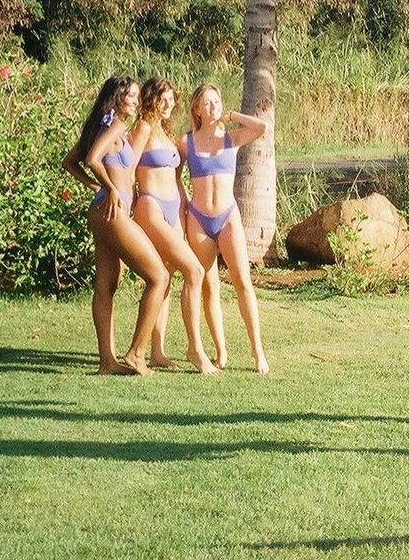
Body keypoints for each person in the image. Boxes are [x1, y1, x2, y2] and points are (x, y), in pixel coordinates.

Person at [61, 75, 169, 377]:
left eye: (136, 96)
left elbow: (70, 161)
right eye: (131, 96)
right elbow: (93, 159)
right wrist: (108, 188)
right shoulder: (115, 126)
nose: (136, 101)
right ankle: (136, 354)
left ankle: (107, 362)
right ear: (118, 97)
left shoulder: (102, 126)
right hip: (112, 211)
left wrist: (96, 187)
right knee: (159, 276)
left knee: (106, 285)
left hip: (102, 210)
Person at [181, 83, 270, 374]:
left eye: (216, 102)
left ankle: (257, 351)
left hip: (228, 217)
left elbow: (261, 128)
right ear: (196, 109)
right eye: (207, 103)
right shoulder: (186, 142)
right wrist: (180, 203)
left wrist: (232, 115)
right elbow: (170, 172)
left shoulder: (231, 139)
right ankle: (219, 351)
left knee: (243, 281)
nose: (213, 107)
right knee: (207, 286)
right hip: (198, 219)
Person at [132, 77, 214, 374]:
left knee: (165, 277)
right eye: (163, 99)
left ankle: (157, 352)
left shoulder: (166, 132)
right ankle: (195, 350)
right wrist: (122, 200)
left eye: (172, 99)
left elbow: (177, 178)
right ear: (150, 99)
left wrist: (185, 206)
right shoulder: (142, 128)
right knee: (194, 270)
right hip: (151, 206)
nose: (169, 104)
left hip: (175, 208)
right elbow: (127, 168)